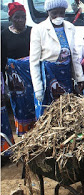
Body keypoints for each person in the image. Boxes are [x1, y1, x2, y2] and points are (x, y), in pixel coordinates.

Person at [29, 0, 84, 118]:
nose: (58, 16)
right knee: (51, 113)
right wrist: (38, 88)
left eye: (61, 13)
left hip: (66, 76)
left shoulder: (70, 27)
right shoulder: (39, 29)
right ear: (48, 12)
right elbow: (34, 61)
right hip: (49, 77)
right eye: (55, 13)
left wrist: (80, 77)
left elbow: (74, 55)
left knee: (67, 112)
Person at [1, 2, 36, 136]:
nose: (20, 20)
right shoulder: (4, 35)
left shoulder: (32, 31)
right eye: (17, 17)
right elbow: (2, 61)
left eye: (23, 17)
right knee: (20, 105)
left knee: (35, 103)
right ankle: (24, 134)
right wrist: (2, 85)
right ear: (10, 18)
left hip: (32, 76)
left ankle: (37, 133)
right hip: (16, 82)